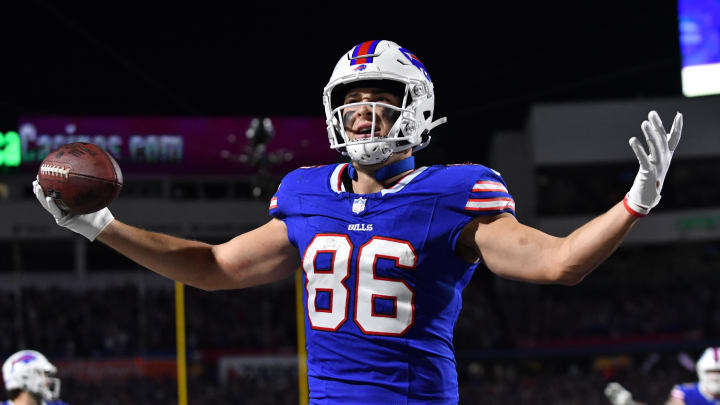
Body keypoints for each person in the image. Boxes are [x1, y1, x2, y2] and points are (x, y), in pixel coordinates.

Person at [31, 40, 683, 404]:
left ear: (417, 110)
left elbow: (558, 261)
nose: (365, 113)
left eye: (382, 100)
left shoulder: (457, 190)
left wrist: (634, 203)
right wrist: (101, 227)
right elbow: (214, 266)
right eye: (353, 102)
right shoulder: (306, 190)